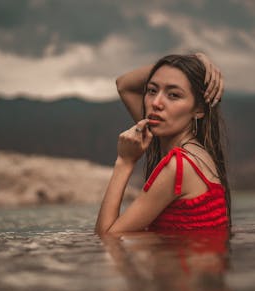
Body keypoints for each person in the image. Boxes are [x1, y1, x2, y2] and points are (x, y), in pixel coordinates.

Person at [95, 53, 230, 234]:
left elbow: (107, 238)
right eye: (152, 91)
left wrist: (124, 161)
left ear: (199, 109)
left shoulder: (179, 166)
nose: (156, 103)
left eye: (173, 95)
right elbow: (124, 84)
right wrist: (191, 61)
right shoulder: (196, 150)